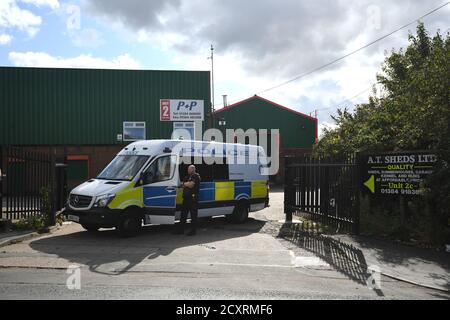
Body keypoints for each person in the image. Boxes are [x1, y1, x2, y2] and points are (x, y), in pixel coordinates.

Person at [175, 165, 201, 236]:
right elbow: (183, 185)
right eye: (188, 169)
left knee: (193, 216)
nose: (188, 170)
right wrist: (185, 184)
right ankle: (181, 230)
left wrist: (185, 184)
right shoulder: (188, 177)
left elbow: (191, 185)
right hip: (186, 198)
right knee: (183, 215)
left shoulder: (196, 176)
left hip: (192, 199)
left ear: (193, 169)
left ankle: (193, 231)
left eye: (189, 169)